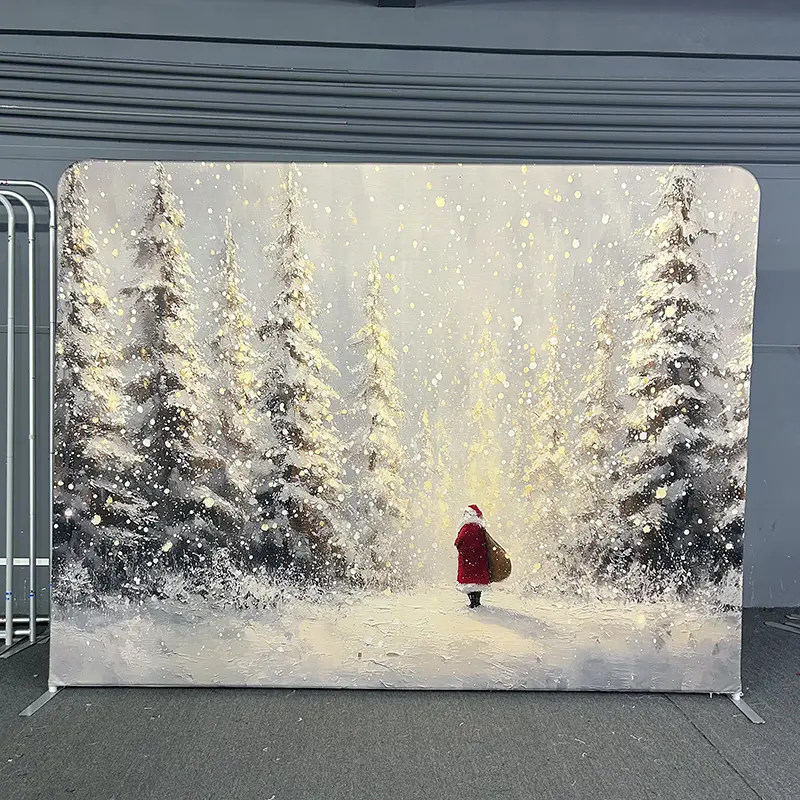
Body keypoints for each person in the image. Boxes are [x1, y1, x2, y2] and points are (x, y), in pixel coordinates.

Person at [455, 504, 490, 608]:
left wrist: (458, 544)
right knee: (477, 583)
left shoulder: (465, 527)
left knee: (469, 583)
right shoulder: (480, 528)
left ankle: (472, 602)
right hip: (479, 559)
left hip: (467, 559)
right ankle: (477, 601)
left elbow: (459, 541)